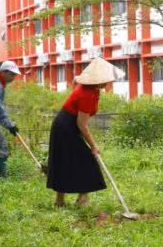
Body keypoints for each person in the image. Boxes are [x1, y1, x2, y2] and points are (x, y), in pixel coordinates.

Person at [46, 57, 124, 207]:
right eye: (105, 78)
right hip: (65, 127)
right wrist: (93, 146)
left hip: (65, 123)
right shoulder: (87, 94)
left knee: (68, 160)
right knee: (85, 158)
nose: (108, 81)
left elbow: (75, 80)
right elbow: (82, 124)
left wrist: (74, 92)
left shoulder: (88, 87)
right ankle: (76, 199)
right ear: (96, 80)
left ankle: (69, 200)